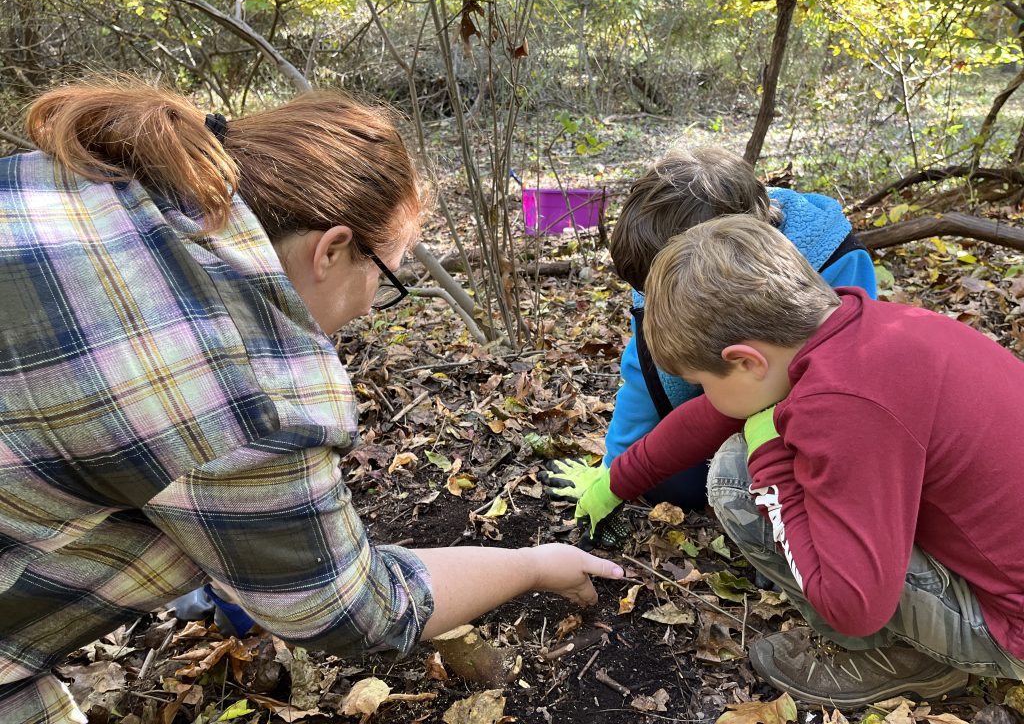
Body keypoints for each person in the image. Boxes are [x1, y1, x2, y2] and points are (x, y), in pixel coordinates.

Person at [0, 78, 623, 723]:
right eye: (386, 278)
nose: (373, 307)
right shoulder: (246, 401)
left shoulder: (83, 185)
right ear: (330, 250)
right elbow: (358, 612)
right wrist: (532, 564)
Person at [564, 215, 1024, 705]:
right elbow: (709, 417)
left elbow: (855, 606)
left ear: (745, 361)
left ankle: (887, 656)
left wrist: (771, 464)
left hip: (1007, 627)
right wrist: (614, 481)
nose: (706, 394)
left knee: (736, 477)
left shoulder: (844, 410)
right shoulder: (859, 331)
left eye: (704, 380)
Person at [541, 147, 877, 547]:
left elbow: (846, 397)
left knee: (741, 473)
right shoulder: (660, 273)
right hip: (729, 406)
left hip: (811, 420)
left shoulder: (830, 259)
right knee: (671, 485)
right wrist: (613, 472)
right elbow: (645, 377)